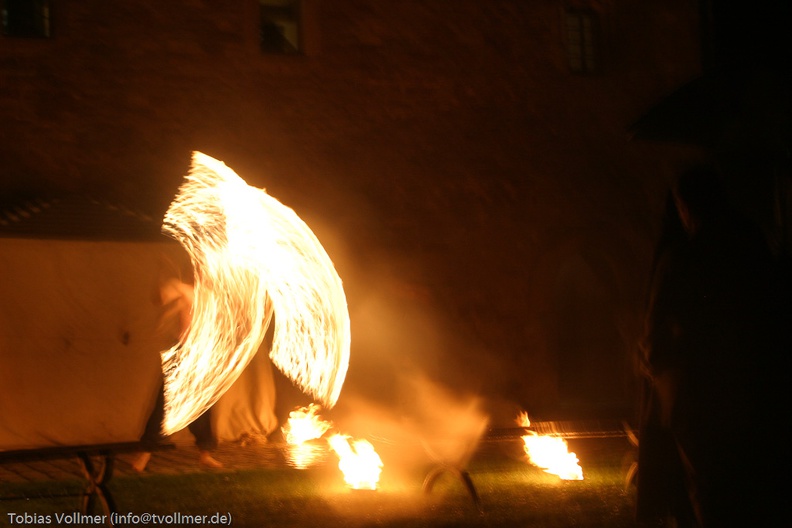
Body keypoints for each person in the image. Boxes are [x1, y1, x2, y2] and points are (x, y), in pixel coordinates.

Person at [640, 165, 784, 526]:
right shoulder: (751, 243)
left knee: (708, 492)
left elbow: (657, 332)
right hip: (754, 390)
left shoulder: (686, 257)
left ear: (687, 206)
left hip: (701, 398)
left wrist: (654, 370)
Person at [132, 276, 223, 472]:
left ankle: (205, 454)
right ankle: (145, 454)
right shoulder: (185, 289)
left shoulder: (214, 298)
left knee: (203, 406)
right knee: (165, 404)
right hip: (183, 355)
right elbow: (161, 297)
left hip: (202, 357)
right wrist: (163, 286)